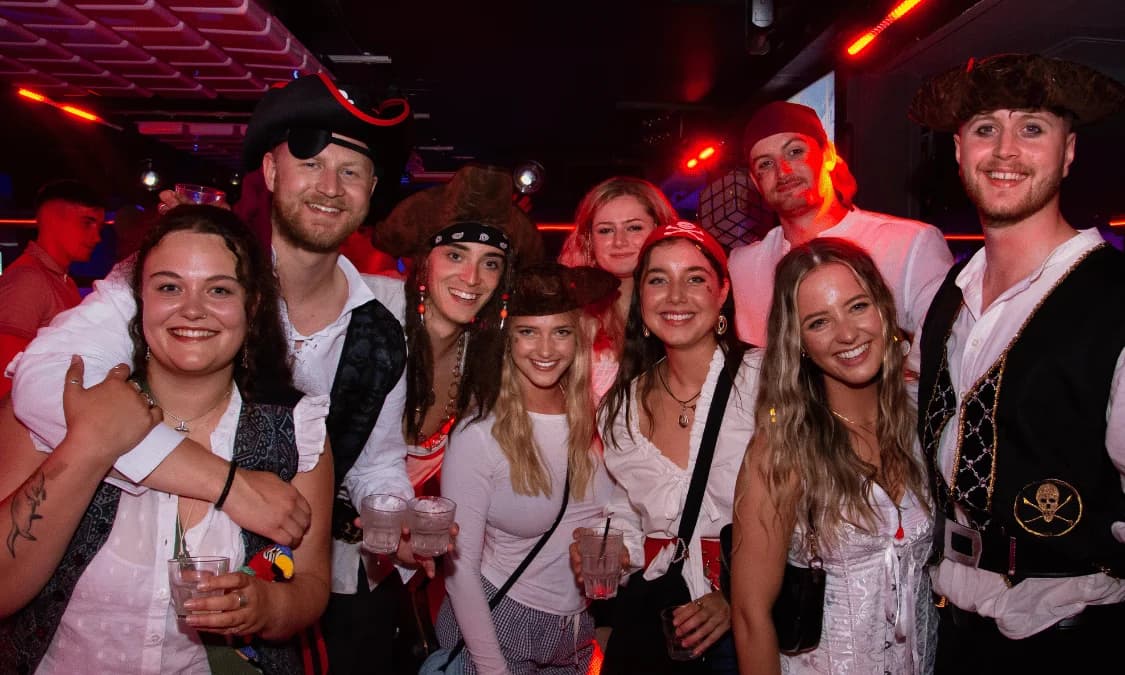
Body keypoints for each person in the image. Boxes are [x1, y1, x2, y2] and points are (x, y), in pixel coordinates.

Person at [7, 73, 424, 674]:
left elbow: (377, 464)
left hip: (290, 592)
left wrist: (399, 520)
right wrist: (226, 483)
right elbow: (45, 379)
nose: (330, 187)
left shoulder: (383, 329)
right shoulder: (183, 269)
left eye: (352, 170)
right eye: (311, 163)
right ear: (272, 172)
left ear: (372, 189)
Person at [0, 205, 334, 674]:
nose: (192, 309)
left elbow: (312, 583)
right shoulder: (58, 410)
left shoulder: (297, 430)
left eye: (219, 289)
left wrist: (268, 607)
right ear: (140, 300)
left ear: (253, 304)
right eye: (169, 287)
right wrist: (88, 444)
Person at [908, 53, 1125, 672]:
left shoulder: (1114, 297)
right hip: (951, 624)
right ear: (959, 151)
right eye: (985, 129)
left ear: (1068, 152)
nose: (1005, 150)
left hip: (1071, 633)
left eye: (1032, 127)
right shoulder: (950, 294)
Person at [730, 238, 936, 674]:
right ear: (799, 341)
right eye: (819, 322)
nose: (847, 334)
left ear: (884, 309)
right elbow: (750, 617)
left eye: (857, 307)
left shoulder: (924, 419)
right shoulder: (783, 448)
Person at [436, 262, 619, 673]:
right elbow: (460, 571)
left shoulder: (595, 420)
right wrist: (492, 667)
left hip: (576, 632)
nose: (546, 350)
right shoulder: (479, 433)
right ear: (508, 339)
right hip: (498, 622)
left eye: (561, 332)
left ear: (579, 337)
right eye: (529, 332)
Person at [598, 220, 761, 674]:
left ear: (722, 291)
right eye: (658, 280)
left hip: (749, 629)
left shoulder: (765, 382)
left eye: (694, 279)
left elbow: (808, 511)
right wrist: (611, 549)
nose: (675, 296)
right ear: (641, 297)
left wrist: (736, 597)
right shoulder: (620, 407)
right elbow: (629, 509)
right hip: (660, 620)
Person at [729, 101, 953, 366]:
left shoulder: (910, 244)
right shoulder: (742, 265)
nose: (783, 172)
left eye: (795, 152)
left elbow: (943, 355)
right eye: (765, 164)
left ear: (828, 155)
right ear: (756, 183)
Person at [374, 162, 544, 493]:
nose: (472, 278)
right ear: (425, 260)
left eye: (490, 263)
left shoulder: (485, 359)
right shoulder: (375, 309)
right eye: (455, 255)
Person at [557, 176, 679, 398]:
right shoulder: (569, 312)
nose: (620, 241)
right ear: (589, 239)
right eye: (606, 230)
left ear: (659, 229)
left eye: (634, 228)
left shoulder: (681, 307)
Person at [0, 179, 104, 398]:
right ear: (52, 220)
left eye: (99, 227)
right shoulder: (28, 279)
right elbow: (4, 378)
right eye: (87, 223)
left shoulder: (63, 281)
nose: (97, 237)